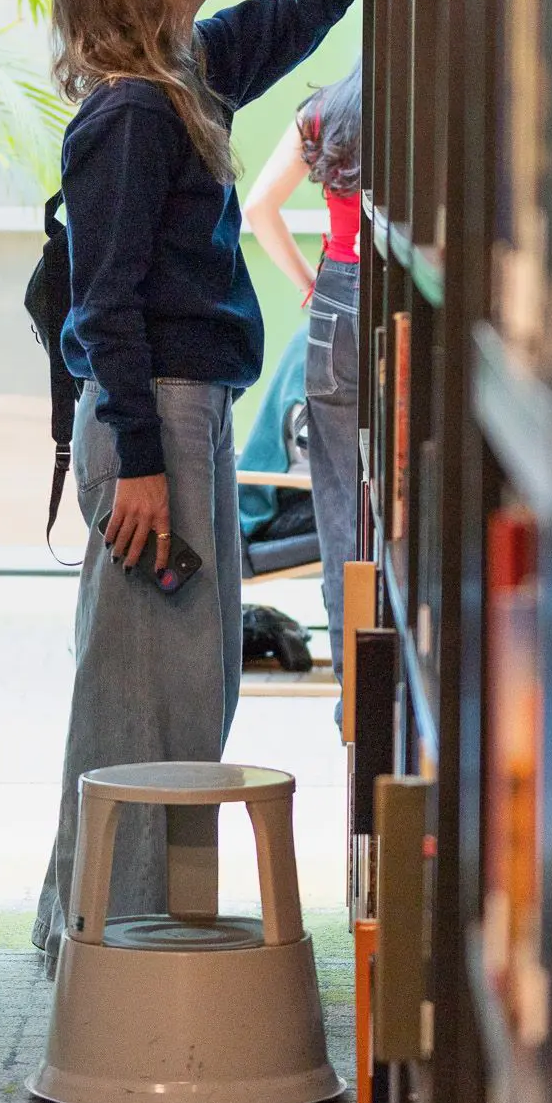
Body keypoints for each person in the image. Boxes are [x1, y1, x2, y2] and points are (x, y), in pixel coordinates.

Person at [33, 0, 376, 970]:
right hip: (155, 433)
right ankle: (114, 950)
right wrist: (139, 463)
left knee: (178, 699)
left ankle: (112, 933)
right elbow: (105, 304)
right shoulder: (132, 115)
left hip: (186, 424)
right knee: (150, 713)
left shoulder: (188, 78)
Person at [244, 58, 363, 684]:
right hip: (409, 297)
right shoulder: (423, 98)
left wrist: (310, 284)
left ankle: (354, 692)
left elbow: (260, 205)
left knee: (341, 507)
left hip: (338, 301)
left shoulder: (329, 110)